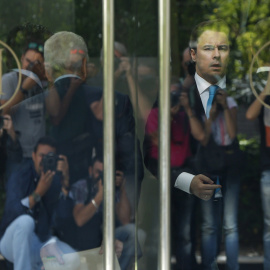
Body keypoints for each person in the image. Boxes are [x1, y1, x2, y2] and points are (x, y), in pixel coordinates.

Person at [175, 20, 240, 270]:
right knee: (207, 224)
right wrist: (211, 112)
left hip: (228, 163)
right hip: (202, 165)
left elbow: (232, 135)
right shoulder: (191, 96)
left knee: (229, 223)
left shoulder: (227, 100)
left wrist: (224, 107)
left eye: (221, 49)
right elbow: (201, 136)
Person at [53, 155, 143, 270]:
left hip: (107, 237)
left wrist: (121, 189)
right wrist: (100, 196)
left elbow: (125, 221)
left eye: (104, 173)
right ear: (90, 171)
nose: (100, 176)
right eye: (98, 172)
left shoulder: (112, 186)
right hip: (83, 244)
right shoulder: (82, 186)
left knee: (136, 234)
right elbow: (79, 220)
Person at [0, 136, 75, 270]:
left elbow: (64, 218)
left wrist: (65, 182)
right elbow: (12, 213)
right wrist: (38, 193)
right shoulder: (20, 174)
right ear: (33, 156)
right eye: (42, 156)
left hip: (40, 243)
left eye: (50, 157)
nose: (45, 160)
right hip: (11, 243)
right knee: (25, 222)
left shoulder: (56, 178)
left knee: (72, 257)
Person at [0, 41, 48, 178]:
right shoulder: (8, 80)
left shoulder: (43, 83)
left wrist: (48, 79)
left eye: (36, 64)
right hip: (16, 155)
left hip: (40, 155)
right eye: (28, 61)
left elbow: (56, 113)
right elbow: (4, 112)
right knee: (16, 196)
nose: (30, 67)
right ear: (21, 59)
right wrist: (24, 88)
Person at [246, 71, 270, 270]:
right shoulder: (266, 99)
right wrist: (266, 89)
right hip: (268, 170)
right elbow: (250, 114)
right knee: (269, 226)